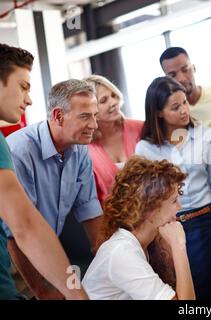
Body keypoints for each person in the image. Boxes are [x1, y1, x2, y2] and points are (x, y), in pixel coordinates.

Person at [0, 43, 87, 300]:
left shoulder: (80, 153)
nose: (29, 99)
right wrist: (76, 294)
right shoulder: (11, 145)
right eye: (23, 86)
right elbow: (24, 226)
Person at [135, 76, 211, 300]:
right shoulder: (145, 148)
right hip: (175, 227)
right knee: (195, 291)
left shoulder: (206, 135)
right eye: (175, 107)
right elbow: (149, 201)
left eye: (185, 102)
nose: (184, 110)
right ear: (158, 113)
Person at [82, 156, 195, 300]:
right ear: (149, 209)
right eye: (173, 201)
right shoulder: (122, 252)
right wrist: (179, 246)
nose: (180, 207)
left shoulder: (148, 241)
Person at [84, 75, 143, 204]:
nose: (113, 102)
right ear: (90, 110)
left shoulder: (141, 128)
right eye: (104, 100)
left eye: (113, 95)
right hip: (114, 221)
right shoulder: (85, 150)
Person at [160, 47, 211, 128]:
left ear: (194, 68)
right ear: (166, 79)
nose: (181, 79)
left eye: (185, 70)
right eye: (172, 75)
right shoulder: (169, 115)